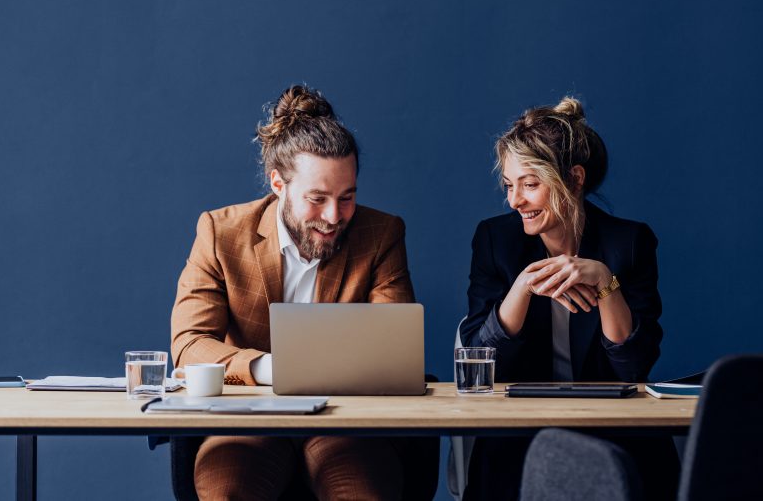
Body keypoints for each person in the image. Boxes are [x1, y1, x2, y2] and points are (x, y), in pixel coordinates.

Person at [170, 85, 415, 501]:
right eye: (317, 199)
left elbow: (393, 352)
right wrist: (270, 369)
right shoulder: (220, 232)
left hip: (345, 422)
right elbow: (190, 346)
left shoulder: (381, 234)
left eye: (347, 197)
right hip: (245, 421)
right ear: (278, 184)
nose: (334, 216)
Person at [459, 97, 680, 500]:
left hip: (610, 427)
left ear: (574, 179)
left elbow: (634, 367)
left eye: (530, 184)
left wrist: (604, 281)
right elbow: (480, 360)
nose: (514, 201)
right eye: (509, 185)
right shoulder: (496, 241)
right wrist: (522, 287)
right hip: (520, 431)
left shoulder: (628, 244)